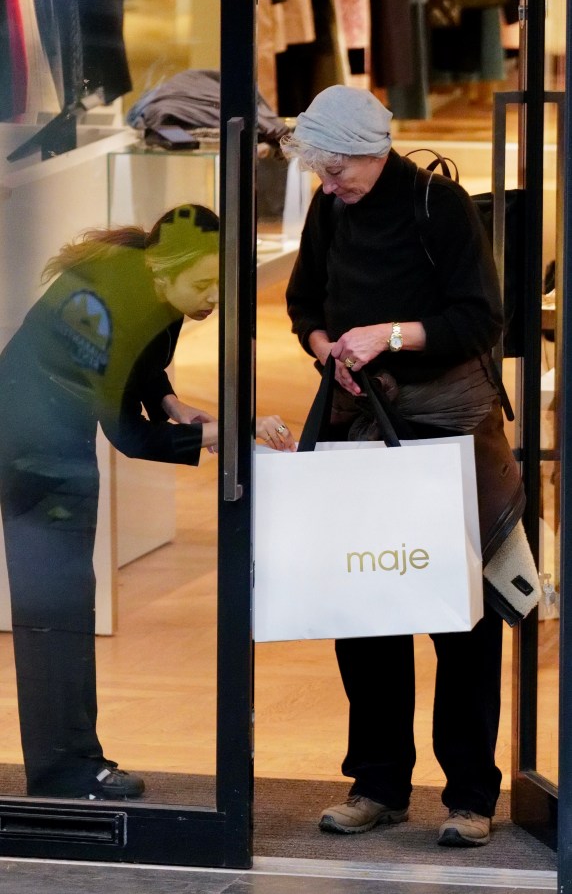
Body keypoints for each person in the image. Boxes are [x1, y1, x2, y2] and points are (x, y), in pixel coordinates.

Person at [280, 86, 526, 847]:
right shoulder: (333, 210)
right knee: (367, 611)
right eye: (320, 174)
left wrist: (388, 335)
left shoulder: (438, 207)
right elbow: (304, 305)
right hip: (366, 429)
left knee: (462, 622)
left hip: (445, 432)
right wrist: (330, 351)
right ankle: (378, 784)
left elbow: (479, 318)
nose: (327, 186)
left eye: (334, 171)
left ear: (367, 152)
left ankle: (470, 794)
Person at [0, 203, 294, 801]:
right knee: (55, 615)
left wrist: (172, 403)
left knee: (61, 611)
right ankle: (67, 772)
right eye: (206, 284)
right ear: (165, 269)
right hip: (31, 454)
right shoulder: (107, 304)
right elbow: (129, 436)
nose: (214, 299)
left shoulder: (154, 285)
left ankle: (70, 765)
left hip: (53, 444)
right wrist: (232, 429)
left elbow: (146, 369)